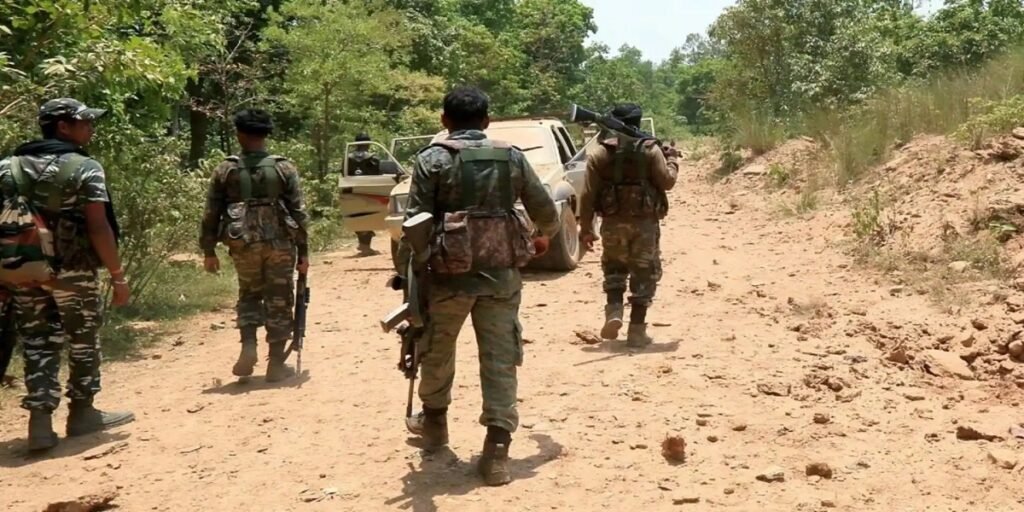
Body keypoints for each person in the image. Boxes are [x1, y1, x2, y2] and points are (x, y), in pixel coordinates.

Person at [401, 86, 559, 486]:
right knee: (500, 358)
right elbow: (544, 209)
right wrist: (542, 237)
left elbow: (415, 221)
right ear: (487, 122)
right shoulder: (512, 157)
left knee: (436, 350)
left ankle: (434, 428)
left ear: (444, 121)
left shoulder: (432, 159)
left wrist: (413, 273)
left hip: (446, 279)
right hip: (501, 277)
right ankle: (497, 453)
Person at [0, 98, 134, 452]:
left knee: (37, 341)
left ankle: (40, 423)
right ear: (63, 126)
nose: (90, 127)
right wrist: (118, 275)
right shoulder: (85, 167)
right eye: (84, 121)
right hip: (73, 270)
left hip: (24, 269)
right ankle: (83, 413)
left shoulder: (6, 167)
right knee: (83, 338)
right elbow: (98, 226)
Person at [200, 109, 309, 383]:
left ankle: (248, 345)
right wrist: (304, 252)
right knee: (279, 298)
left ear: (239, 134)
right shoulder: (284, 168)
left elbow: (211, 212)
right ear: (266, 135)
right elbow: (298, 212)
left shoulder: (226, 169)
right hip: (280, 243)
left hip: (243, 243)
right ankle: (276, 364)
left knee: (249, 294)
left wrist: (209, 250)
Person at [578, 103, 680, 348]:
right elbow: (667, 182)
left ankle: (614, 311)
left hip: (612, 223)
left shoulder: (601, 153)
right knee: (645, 273)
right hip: (645, 225)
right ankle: (636, 331)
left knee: (614, 269)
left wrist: (586, 229)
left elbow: (588, 195)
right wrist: (672, 159)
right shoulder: (650, 150)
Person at [346, 133, 381, 256]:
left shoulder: (348, 158)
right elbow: (378, 174)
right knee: (369, 215)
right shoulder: (373, 158)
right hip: (369, 190)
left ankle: (363, 245)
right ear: (368, 143)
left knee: (357, 215)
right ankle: (365, 247)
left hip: (352, 190)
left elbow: (344, 174)